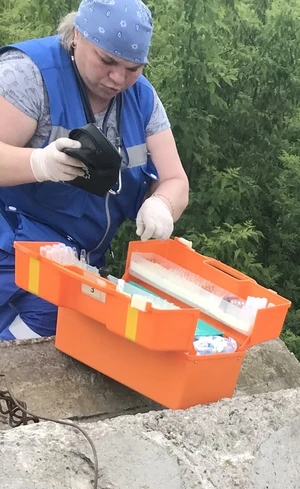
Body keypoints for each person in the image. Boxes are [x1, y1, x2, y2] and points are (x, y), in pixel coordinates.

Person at [0, 1, 189, 341]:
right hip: (12, 244)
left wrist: (161, 203)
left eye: (133, 68)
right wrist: (38, 164)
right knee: (56, 316)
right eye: (107, 61)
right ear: (76, 36)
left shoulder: (142, 100)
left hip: (75, 264)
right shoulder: (28, 76)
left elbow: (175, 180)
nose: (119, 78)